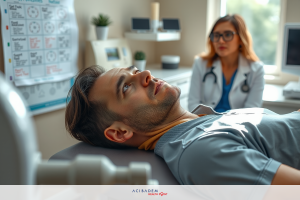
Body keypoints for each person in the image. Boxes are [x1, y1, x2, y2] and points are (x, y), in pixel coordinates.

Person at [65, 65, 300, 185]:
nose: (145, 73)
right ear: (119, 132)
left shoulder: (208, 120)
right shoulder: (200, 150)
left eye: (135, 71)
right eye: (126, 87)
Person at [188, 14, 264, 112]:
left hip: (239, 126)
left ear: (241, 39)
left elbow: (252, 111)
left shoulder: (256, 69)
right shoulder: (200, 63)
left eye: (228, 34)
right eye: (216, 35)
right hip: (204, 123)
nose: (220, 41)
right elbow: (193, 104)